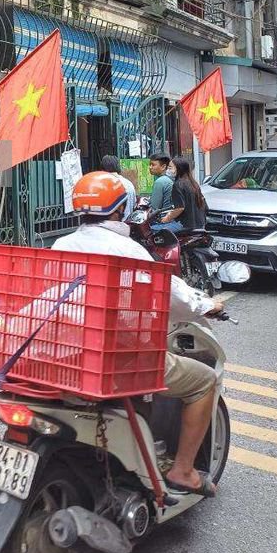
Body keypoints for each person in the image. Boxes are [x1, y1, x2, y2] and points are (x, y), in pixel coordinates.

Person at [53, 171, 223, 497]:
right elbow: (171, 295)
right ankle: (183, 471)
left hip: (67, 353)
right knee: (204, 381)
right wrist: (207, 305)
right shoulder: (127, 250)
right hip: (117, 358)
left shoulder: (61, 244)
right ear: (120, 209)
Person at [160, 157, 207, 231]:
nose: (168, 170)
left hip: (185, 225)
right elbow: (204, 206)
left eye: (170, 167)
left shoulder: (178, 185)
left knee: (154, 230)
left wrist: (167, 218)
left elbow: (180, 208)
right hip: (200, 225)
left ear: (179, 169)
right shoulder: (194, 184)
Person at [100, 154, 136, 220]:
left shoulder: (105, 184)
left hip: (113, 224)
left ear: (103, 169)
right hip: (128, 223)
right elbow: (133, 204)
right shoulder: (129, 183)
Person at [148, 152, 174, 217]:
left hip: (163, 218)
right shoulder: (171, 178)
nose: (150, 167)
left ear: (163, 167)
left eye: (153, 165)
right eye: (150, 165)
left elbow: (155, 207)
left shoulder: (160, 181)